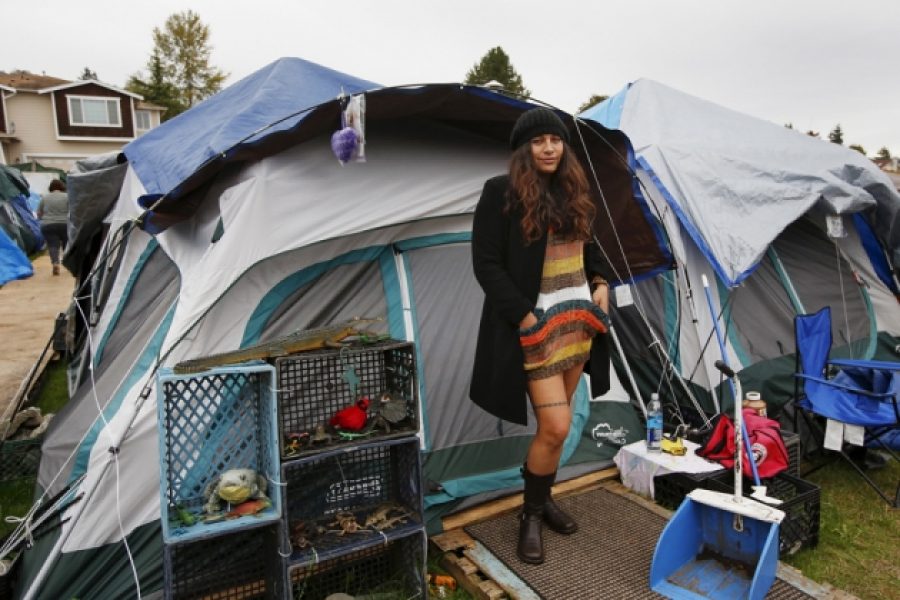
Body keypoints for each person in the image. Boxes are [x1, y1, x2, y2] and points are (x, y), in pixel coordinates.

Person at [470, 108, 612, 565]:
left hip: (577, 322)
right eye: (539, 141)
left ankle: (542, 496)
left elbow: (594, 248)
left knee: (554, 427)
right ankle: (530, 516)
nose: (549, 148)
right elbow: (486, 262)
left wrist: (602, 283)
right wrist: (524, 317)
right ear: (524, 149)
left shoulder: (575, 192)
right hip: (537, 326)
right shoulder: (501, 193)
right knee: (556, 426)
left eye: (555, 139)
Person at [37, 179, 68, 275]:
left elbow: (39, 213)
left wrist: (43, 218)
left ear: (50, 188)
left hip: (48, 224)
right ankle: (68, 264)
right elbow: (73, 211)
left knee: (53, 245)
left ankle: (55, 263)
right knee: (67, 244)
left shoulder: (45, 198)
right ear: (62, 187)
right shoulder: (67, 197)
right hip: (65, 224)